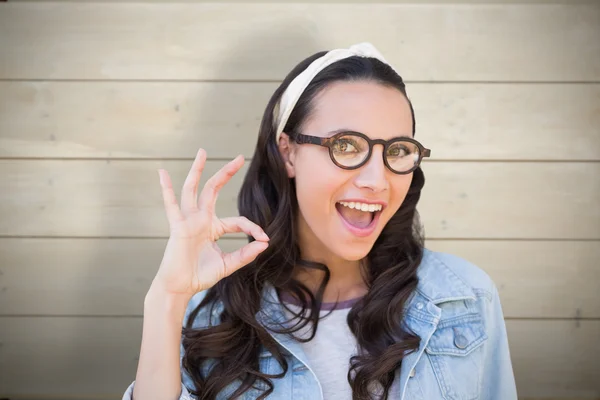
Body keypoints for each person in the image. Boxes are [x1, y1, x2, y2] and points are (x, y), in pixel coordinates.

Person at [123, 42, 517, 400]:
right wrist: (166, 301)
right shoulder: (205, 315)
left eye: (397, 150)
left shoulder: (466, 299)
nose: (376, 181)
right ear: (288, 153)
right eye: (345, 145)